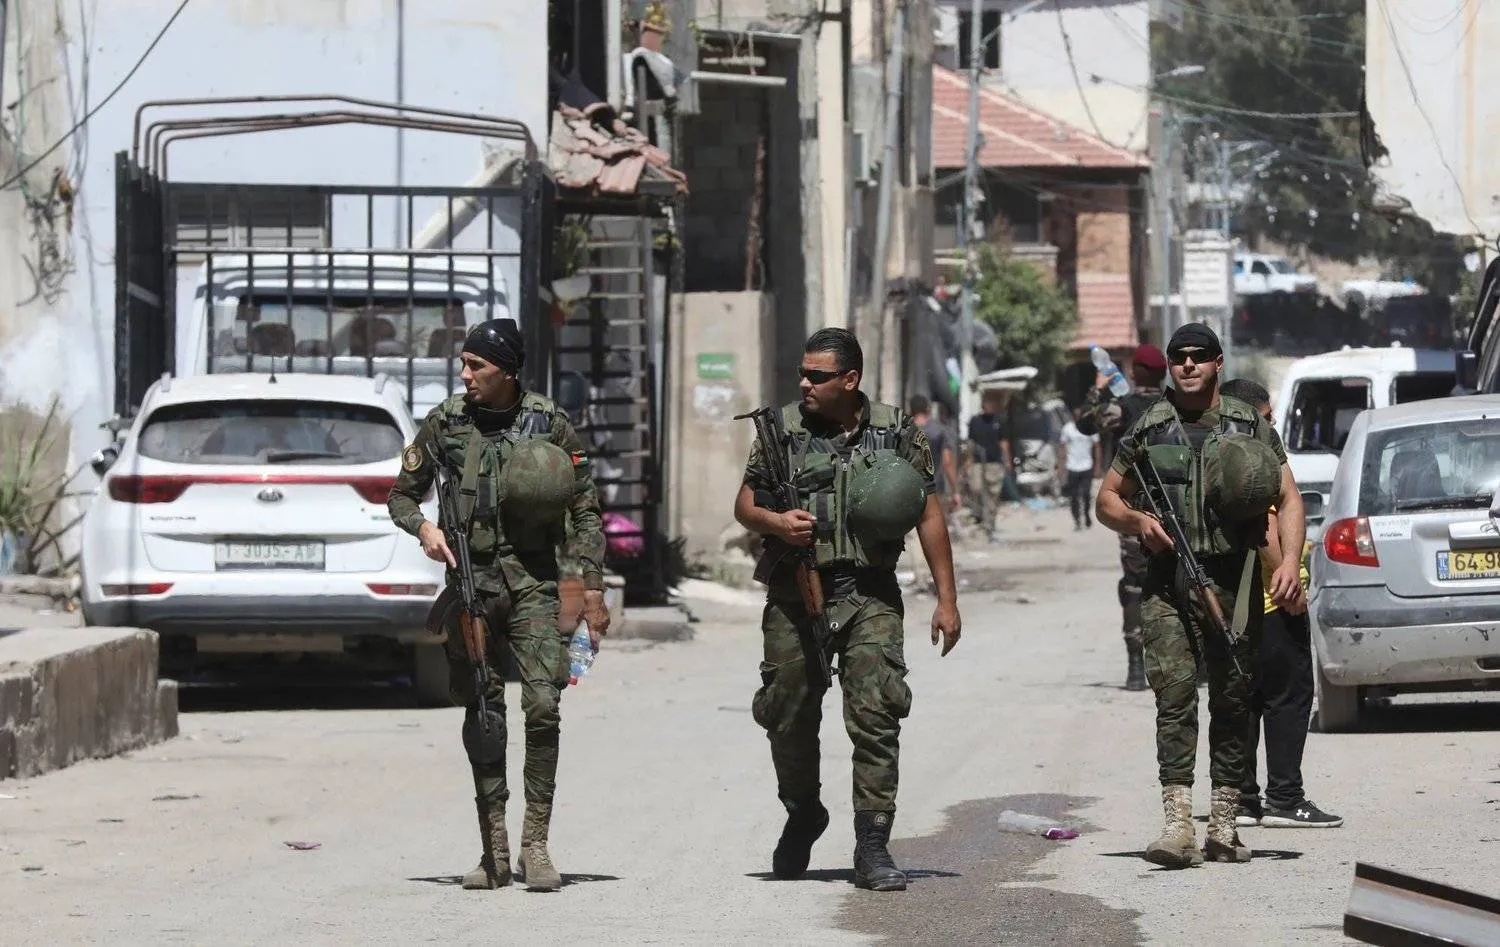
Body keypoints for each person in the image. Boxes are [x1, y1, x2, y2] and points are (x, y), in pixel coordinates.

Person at [734, 327, 962, 892]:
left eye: (816, 375)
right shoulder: (780, 431)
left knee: (876, 715)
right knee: (785, 711)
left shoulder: (896, 432)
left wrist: (947, 598)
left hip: (870, 593)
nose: (804, 384)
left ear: (850, 379)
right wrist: (775, 523)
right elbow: (744, 504)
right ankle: (803, 812)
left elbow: (928, 513)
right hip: (794, 592)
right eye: (801, 373)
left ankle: (873, 844)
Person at [387, 318, 611, 892]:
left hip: (534, 582)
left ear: (507, 371)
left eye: (476, 366)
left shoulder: (550, 423)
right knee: (483, 710)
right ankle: (494, 849)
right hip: (472, 583)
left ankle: (536, 843)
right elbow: (401, 496)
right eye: (463, 364)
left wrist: (591, 588)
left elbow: (586, 511)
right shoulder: (446, 422)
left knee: (542, 704)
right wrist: (425, 531)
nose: (465, 376)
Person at [1095, 322, 1305, 868]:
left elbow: (1289, 496)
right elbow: (1106, 500)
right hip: (1168, 583)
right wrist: (1138, 521)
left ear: (1217, 363)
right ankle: (1178, 823)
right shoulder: (1149, 426)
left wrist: (1287, 565)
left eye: (1199, 357)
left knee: (1233, 699)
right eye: (1178, 357)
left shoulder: (1246, 424)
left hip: (1233, 580)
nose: (1187, 365)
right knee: (1174, 697)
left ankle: (1227, 824)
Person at [1218, 378, 1343, 831]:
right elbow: (1266, 523)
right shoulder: (1254, 461)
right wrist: (1289, 581)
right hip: (1273, 601)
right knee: (1288, 698)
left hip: (1233, 605)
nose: (1273, 428)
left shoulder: (1215, 458)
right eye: (1267, 418)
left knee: (1246, 700)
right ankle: (1285, 798)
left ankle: (1245, 800)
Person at [1077, 343, 1168, 690]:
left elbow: (1086, 423)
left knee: (1134, 586)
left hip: (1133, 512)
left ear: (1137, 373)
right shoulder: (1174, 408)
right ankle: (1195, 665)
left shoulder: (1122, 408)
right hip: (1176, 510)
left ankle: (1135, 667)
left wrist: (1099, 386)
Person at [965, 390, 1011, 530]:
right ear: (983, 404)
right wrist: (968, 460)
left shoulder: (1000, 421)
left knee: (993, 493)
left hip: (994, 462)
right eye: (988, 403)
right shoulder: (975, 421)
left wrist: (1007, 460)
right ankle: (980, 515)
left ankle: (990, 521)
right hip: (978, 463)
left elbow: (1003, 442)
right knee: (976, 488)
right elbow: (970, 442)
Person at [909, 394, 960, 513]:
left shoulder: (903, 431)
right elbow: (947, 462)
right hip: (934, 488)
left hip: (909, 490)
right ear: (928, 409)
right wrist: (955, 490)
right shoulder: (939, 431)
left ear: (910, 410)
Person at [1056, 405, 1100, 530]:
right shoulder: (1067, 429)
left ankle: (1086, 514)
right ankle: (1076, 520)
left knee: (1086, 494)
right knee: (1073, 496)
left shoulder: (1090, 428)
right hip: (1072, 466)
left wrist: (1097, 466)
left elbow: (1097, 447)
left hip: (1087, 465)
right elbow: (1062, 448)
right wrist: (1060, 467)